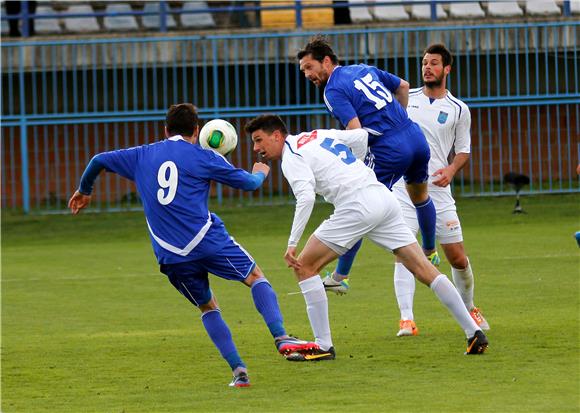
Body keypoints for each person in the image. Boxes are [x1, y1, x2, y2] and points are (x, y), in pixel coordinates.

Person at [68, 104, 319, 388]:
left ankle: (239, 372)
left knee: (208, 306)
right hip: (207, 239)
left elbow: (98, 159)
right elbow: (249, 184)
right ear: (197, 131)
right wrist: (260, 171)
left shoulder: (140, 155)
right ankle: (281, 337)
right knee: (255, 277)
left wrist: (84, 190)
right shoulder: (204, 156)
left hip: (170, 254)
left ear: (165, 130)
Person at [246, 114, 489, 359]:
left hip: (356, 205)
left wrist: (292, 243)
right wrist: (359, 167)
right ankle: (473, 331)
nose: (256, 148)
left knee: (305, 265)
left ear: (277, 135)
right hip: (382, 197)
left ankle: (323, 346)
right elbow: (361, 136)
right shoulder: (317, 135)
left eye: (259, 140)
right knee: (423, 268)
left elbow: (306, 197)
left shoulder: (291, 157)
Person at [296, 35, 439, 296]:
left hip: (387, 148)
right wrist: (400, 122)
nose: (307, 74)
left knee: (359, 203)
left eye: (309, 67)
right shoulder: (362, 68)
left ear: (326, 61)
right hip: (415, 136)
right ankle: (430, 249)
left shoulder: (333, 90)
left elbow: (356, 131)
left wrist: (356, 163)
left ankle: (341, 276)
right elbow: (404, 86)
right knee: (420, 196)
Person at [391, 44, 489, 337]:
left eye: (434, 63)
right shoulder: (406, 99)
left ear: (447, 69)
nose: (427, 68)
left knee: (457, 257)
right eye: (424, 63)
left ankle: (469, 306)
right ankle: (406, 319)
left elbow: (463, 151)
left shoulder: (459, 109)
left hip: (437, 189)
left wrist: (450, 170)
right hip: (404, 187)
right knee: (404, 248)